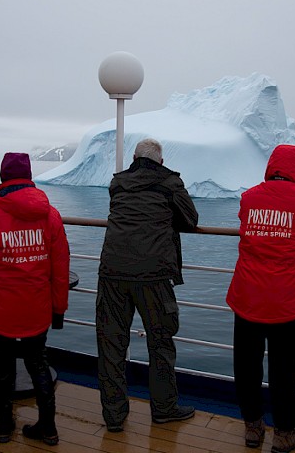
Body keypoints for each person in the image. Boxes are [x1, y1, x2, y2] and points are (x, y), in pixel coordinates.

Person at [0, 152, 70, 446]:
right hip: (37, 307)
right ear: (29, 177)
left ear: (2, 177)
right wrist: (58, 309)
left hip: (0, 310)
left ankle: (4, 427)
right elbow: (60, 268)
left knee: (2, 368)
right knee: (38, 364)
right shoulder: (51, 215)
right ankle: (48, 428)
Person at [226, 144, 295, 452]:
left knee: (246, 366)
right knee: (284, 370)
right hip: (285, 300)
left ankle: (253, 428)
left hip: (248, 296)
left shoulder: (250, 197)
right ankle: (284, 433)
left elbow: (246, 220)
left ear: (270, 167)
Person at [96, 137, 199, 432]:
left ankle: (114, 416)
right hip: (153, 275)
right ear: (161, 161)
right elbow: (191, 219)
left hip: (113, 272)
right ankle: (164, 409)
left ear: (134, 158)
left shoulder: (118, 183)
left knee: (112, 344)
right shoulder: (169, 183)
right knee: (160, 343)